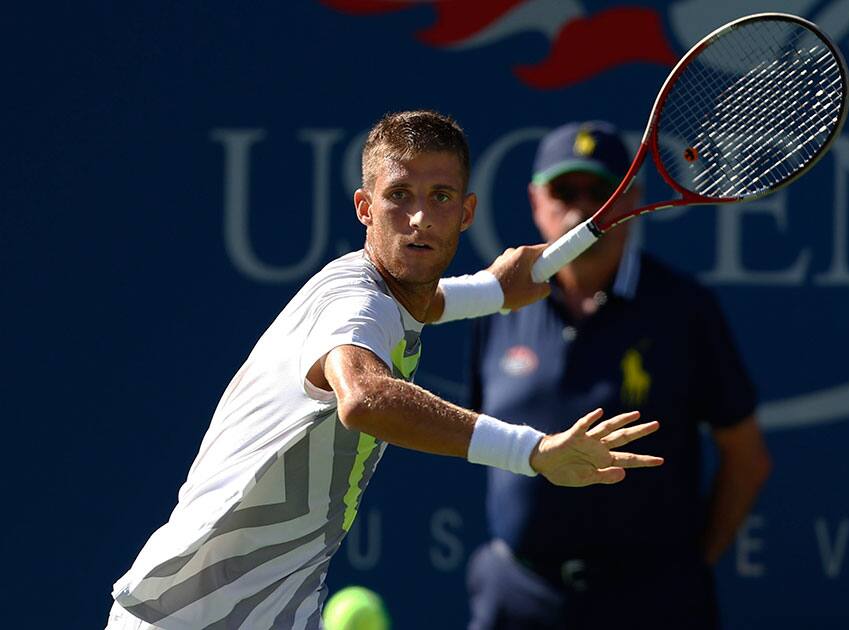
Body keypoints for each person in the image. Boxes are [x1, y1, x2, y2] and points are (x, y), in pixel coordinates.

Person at [106, 111, 663, 630]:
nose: (419, 218)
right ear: (364, 207)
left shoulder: (383, 295)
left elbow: (422, 301)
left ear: (466, 213)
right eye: (399, 196)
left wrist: (491, 291)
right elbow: (365, 399)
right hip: (184, 617)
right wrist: (532, 452)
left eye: (440, 197)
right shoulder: (352, 304)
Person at [466, 121, 772, 629]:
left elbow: (747, 458)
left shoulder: (685, 310)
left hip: (654, 604)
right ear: (536, 201)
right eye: (565, 191)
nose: (583, 208)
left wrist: (685, 572)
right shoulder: (495, 307)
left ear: (631, 201)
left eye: (601, 191)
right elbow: (475, 433)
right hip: (517, 599)